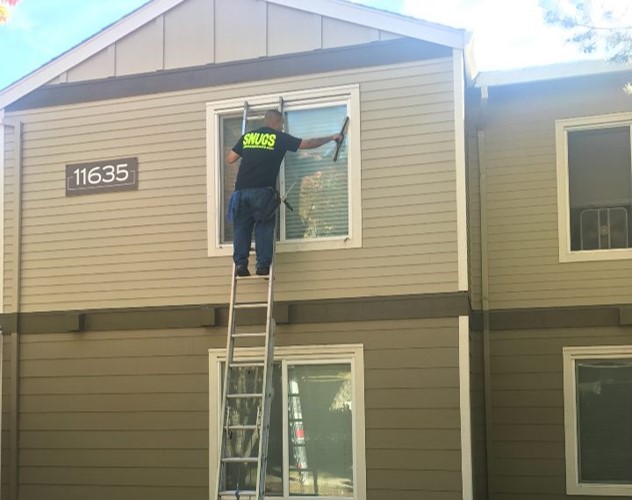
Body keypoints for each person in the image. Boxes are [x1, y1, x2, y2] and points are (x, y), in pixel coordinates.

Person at [226, 109, 342, 277]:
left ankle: (240, 265)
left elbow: (230, 158)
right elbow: (308, 144)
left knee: (241, 228)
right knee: (264, 227)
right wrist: (331, 137)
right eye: (282, 124)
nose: (282, 127)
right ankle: (262, 266)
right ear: (276, 123)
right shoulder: (278, 137)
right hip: (262, 192)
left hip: (241, 191)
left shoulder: (247, 137)